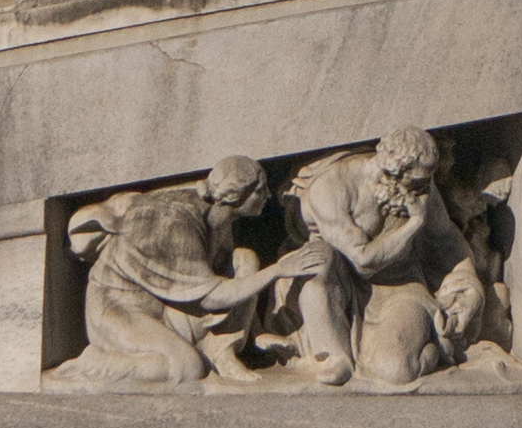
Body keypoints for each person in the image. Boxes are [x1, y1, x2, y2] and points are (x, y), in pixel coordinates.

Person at [272, 131, 488, 384]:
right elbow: (362, 261)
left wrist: (468, 287)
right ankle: (334, 356)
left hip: (400, 285)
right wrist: (415, 222)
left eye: (425, 183)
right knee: (318, 258)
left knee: (397, 371)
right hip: (338, 285)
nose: (422, 191)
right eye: (416, 183)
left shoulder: (420, 186)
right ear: (390, 173)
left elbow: (447, 240)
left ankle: (435, 345)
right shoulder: (332, 186)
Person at [56, 159, 277, 384]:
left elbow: (219, 279)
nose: (268, 196)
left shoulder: (219, 218)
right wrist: (280, 269)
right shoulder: (176, 222)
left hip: (168, 306)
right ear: (234, 195)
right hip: (118, 310)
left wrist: (257, 331)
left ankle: (223, 354)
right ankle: (95, 362)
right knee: (186, 367)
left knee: (244, 258)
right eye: (260, 191)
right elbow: (212, 297)